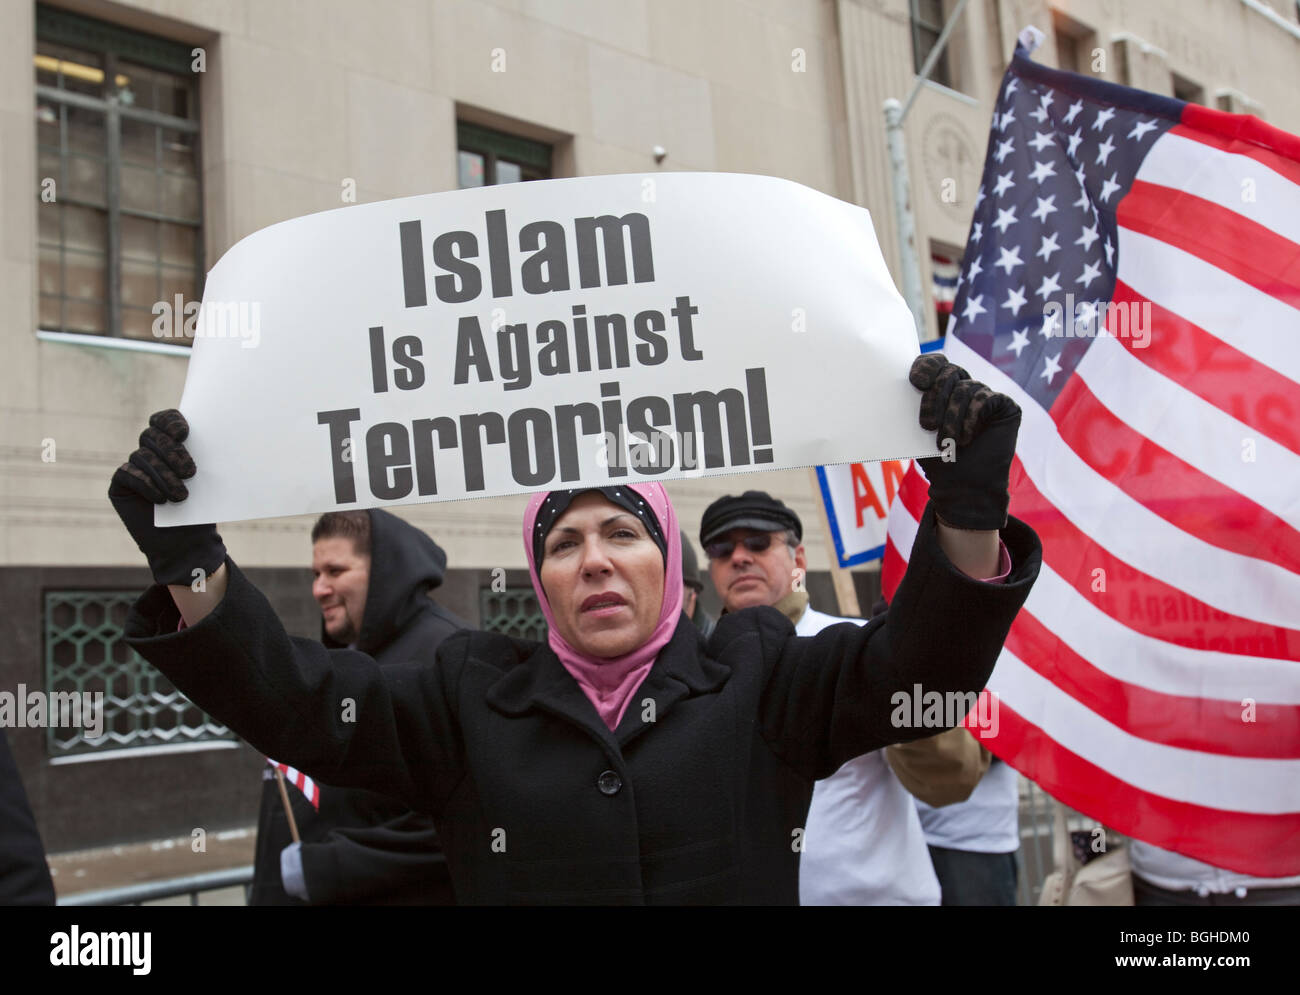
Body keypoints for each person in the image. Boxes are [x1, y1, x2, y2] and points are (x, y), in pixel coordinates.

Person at [108, 355, 1040, 904]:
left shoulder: (760, 673)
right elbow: (302, 705)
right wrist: (191, 566)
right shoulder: (468, 694)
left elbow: (920, 669)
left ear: (668, 562)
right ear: (542, 578)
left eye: (622, 533)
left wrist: (966, 512)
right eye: (563, 542)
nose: (593, 559)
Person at [699, 491, 988, 905]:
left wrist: (902, 678)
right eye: (721, 549)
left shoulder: (860, 644)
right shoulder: (701, 668)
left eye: (759, 543)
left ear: (799, 560)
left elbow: (950, 779)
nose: (740, 557)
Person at [251, 509, 467, 905]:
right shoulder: (346, 659)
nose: (319, 588)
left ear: (384, 573)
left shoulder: (446, 656)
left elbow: (463, 819)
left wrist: (327, 867)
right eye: (316, 574)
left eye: (335, 571)